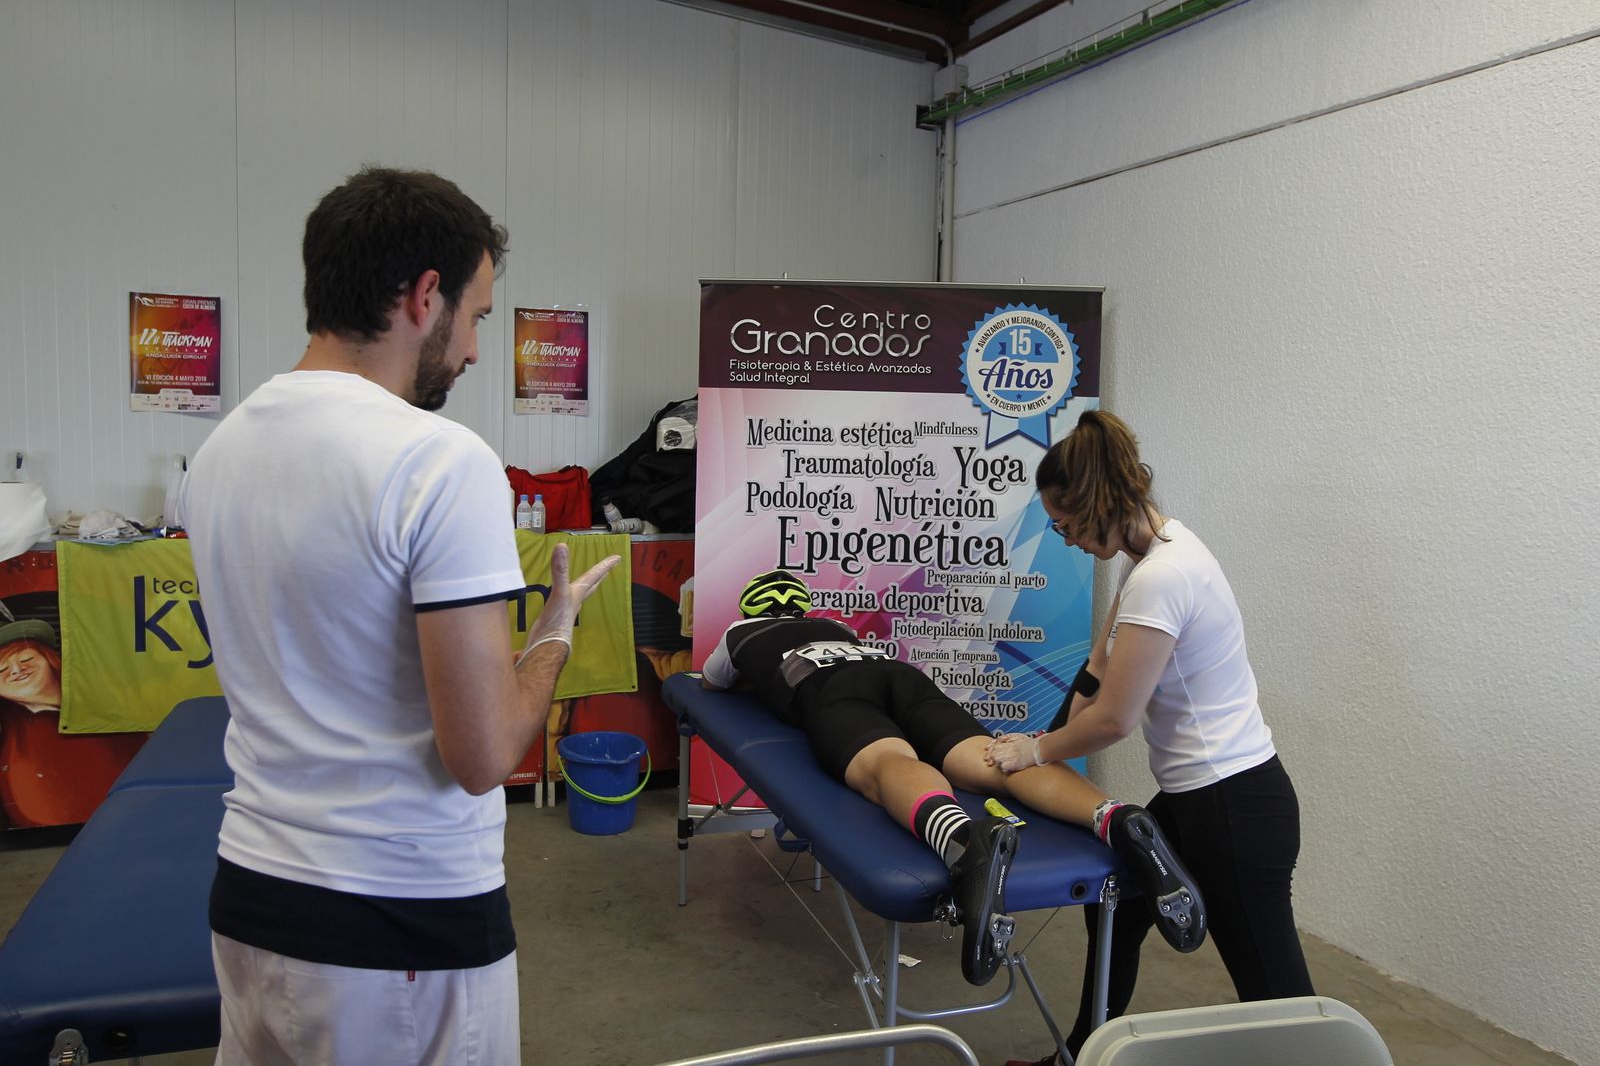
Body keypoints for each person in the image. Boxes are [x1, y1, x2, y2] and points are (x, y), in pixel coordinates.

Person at [182, 167, 621, 1066]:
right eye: (477, 318)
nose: (470, 351)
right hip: (398, 930)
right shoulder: (441, 460)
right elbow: (485, 751)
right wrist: (553, 636)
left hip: (253, 900)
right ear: (426, 296)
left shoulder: (222, 450)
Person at [701, 569, 1204, 990]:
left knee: (885, 764)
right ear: (805, 606)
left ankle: (965, 842)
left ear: (751, 611)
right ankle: (1116, 817)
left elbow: (710, 681)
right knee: (991, 759)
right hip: (897, 674)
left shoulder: (739, 634)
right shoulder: (835, 626)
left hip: (831, 690)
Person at [991, 409, 1314, 1065]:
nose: (1068, 539)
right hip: (1202, 799)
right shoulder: (1154, 554)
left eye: (1068, 524)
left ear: (1097, 502)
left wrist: (1032, 752)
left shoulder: (1162, 577)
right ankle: (1083, 1055)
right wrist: (1048, 739)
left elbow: (1113, 718)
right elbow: (1098, 669)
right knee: (1118, 910)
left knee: (1279, 1002)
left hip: (1234, 809)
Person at [0, 616, 145, 827]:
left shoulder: (105, 698)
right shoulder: (16, 734)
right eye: (1, 669)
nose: (16, 670)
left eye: (26, 659)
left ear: (49, 658)